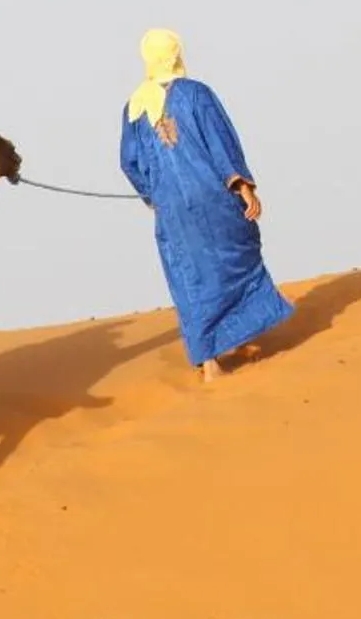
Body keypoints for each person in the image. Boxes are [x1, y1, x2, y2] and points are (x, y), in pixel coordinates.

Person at [117, 29, 295, 383]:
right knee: (237, 261)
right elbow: (221, 142)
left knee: (189, 276)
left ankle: (211, 360)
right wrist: (243, 186)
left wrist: (153, 196)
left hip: (172, 208)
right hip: (213, 194)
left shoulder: (134, 108)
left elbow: (129, 162)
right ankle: (232, 339)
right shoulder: (196, 94)